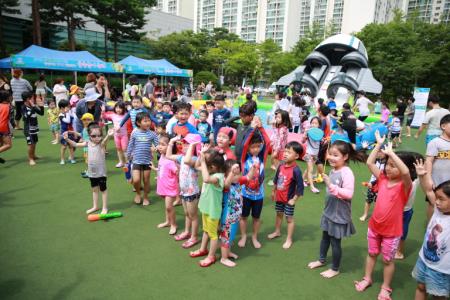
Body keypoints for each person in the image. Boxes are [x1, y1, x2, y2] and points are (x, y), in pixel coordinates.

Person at [354, 132, 417, 300]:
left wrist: (392, 154)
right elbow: (369, 162)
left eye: (393, 165)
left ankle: (385, 287)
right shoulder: (382, 179)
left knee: (388, 260)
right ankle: (367, 278)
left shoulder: (405, 185)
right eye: (387, 164)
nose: (388, 167)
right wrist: (378, 144)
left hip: (391, 231)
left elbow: (404, 172)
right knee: (372, 254)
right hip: (374, 227)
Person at [308, 140, 366, 278]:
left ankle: (335, 268)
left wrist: (330, 186)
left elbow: (348, 194)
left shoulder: (347, 172)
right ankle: (321, 260)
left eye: (336, 155)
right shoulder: (334, 170)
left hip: (339, 214)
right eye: (330, 154)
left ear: (345, 157)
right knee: (325, 238)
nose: (332, 158)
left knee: (335, 242)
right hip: (329, 211)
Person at [412, 159, 450, 300]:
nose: (437, 202)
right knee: (421, 287)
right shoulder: (438, 210)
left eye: (442, 199)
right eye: (437, 198)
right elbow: (429, 190)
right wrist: (422, 175)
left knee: (438, 296)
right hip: (424, 259)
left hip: (441, 269)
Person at [63, 123, 114, 214]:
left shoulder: (101, 144)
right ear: (89, 135)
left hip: (101, 173)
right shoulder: (88, 143)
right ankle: (95, 206)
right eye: (93, 136)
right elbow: (75, 144)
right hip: (92, 172)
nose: (97, 138)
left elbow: (105, 141)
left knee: (103, 190)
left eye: (99, 135)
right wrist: (67, 139)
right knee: (94, 189)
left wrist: (108, 135)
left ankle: (104, 207)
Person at [189, 147, 225, 268]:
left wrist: (204, 162)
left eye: (208, 165)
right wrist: (202, 155)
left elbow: (206, 179)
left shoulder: (219, 177)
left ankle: (211, 256)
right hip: (206, 209)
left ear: (214, 167)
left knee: (213, 234)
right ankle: (203, 249)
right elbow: (197, 165)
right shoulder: (209, 170)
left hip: (213, 211)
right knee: (206, 230)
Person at [166, 134, 202, 248]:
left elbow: (187, 161)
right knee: (187, 214)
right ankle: (187, 232)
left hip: (192, 193)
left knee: (194, 216)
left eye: (187, 144)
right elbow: (168, 155)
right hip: (184, 191)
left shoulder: (195, 159)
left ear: (194, 146)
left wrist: (192, 146)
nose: (184, 145)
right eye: (184, 143)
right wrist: (171, 142)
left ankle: (194, 237)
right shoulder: (182, 157)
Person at [238, 123, 270, 249]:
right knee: (243, 217)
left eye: (258, 146)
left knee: (256, 218)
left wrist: (261, 128)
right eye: (253, 147)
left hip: (259, 196)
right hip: (246, 194)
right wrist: (252, 129)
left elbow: (267, 142)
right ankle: (244, 236)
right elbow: (245, 144)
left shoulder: (262, 159)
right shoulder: (244, 159)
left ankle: (254, 236)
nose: (256, 149)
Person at [267, 141, 304, 249]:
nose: (285, 154)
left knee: (289, 219)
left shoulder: (296, 170)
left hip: (288, 199)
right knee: (279, 214)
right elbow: (276, 179)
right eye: (285, 151)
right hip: (279, 197)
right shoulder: (281, 165)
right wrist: (273, 191)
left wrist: (294, 199)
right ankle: (277, 231)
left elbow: (300, 186)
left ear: (296, 156)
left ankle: (289, 239)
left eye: (289, 152)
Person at [220, 160, 256, 267]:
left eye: (238, 173)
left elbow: (248, 177)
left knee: (231, 237)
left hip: (236, 216)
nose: (237, 176)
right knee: (226, 238)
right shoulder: (226, 185)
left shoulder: (239, 182)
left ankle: (228, 252)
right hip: (227, 217)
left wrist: (253, 169)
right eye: (233, 174)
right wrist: (232, 172)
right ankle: (223, 258)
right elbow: (226, 184)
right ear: (226, 174)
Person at [126, 112, 159, 206]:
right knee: (136, 180)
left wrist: (156, 149)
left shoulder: (152, 134)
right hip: (136, 160)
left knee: (146, 180)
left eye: (149, 120)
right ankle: (138, 194)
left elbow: (157, 145)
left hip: (147, 161)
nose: (148, 122)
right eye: (145, 121)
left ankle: (145, 197)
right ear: (138, 123)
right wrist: (128, 156)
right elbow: (131, 145)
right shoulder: (135, 132)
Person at [425, 114, 450, 221]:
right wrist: (429, 178)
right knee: (433, 203)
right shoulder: (435, 142)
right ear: (443, 126)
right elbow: (429, 161)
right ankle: (431, 224)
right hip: (437, 181)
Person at [154, 133, 179, 235]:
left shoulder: (171, 160)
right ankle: (168, 221)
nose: (159, 146)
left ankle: (173, 224)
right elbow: (161, 169)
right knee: (166, 206)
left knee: (169, 207)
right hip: (162, 186)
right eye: (159, 144)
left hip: (170, 188)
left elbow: (177, 171)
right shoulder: (162, 156)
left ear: (170, 147)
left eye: (163, 144)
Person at [359, 148, 387, 222]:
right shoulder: (376, 160)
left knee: (379, 202)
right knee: (368, 200)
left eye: (379, 151)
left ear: (384, 152)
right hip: (371, 184)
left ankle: (379, 216)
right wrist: (364, 149)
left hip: (380, 186)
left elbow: (383, 177)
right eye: (377, 151)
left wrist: (372, 183)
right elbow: (365, 158)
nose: (377, 153)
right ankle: (365, 214)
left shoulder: (387, 164)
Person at [21, 91, 44, 166]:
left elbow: (41, 113)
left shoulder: (32, 106)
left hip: (34, 128)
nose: (34, 99)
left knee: (34, 143)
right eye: (32, 98)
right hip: (28, 129)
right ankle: (30, 159)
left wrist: (41, 106)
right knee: (30, 144)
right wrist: (33, 107)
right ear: (28, 99)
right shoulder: (24, 107)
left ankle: (33, 156)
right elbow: (25, 117)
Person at [303, 117, 323, 194]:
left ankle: (301, 180)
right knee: (310, 170)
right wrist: (305, 134)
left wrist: (325, 140)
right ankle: (312, 187)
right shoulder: (308, 132)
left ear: (319, 125)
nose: (313, 124)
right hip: (309, 154)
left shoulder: (320, 132)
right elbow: (302, 141)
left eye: (316, 123)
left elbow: (321, 141)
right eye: (312, 123)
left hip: (315, 154)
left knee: (308, 169)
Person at [269, 109, 290, 173]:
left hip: (280, 149)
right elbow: (276, 136)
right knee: (277, 163)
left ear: (284, 119)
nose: (277, 119)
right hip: (278, 147)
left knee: (278, 164)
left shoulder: (283, 129)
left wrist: (276, 151)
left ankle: (278, 178)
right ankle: (278, 176)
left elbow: (281, 140)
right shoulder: (280, 127)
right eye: (276, 117)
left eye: (279, 117)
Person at [109, 101, 128, 168]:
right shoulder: (113, 115)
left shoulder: (126, 115)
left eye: (120, 108)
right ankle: (121, 162)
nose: (118, 109)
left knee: (124, 149)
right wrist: (102, 112)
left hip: (124, 135)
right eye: (117, 108)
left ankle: (127, 162)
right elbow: (104, 116)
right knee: (118, 149)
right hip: (116, 135)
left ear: (123, 109)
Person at [58, 100, 76, 165]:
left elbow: (73, 119)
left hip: (70, 132)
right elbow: (67, 121)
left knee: (71, 146)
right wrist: (67, 113)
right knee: (64, 146)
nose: (69, 108)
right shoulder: (61, 115)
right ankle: (62, 159)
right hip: (64, 133)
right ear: (62, 108)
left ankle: (72, 158)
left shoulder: (69, 113)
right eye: (68, 107)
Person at [0, 90, 13, 163]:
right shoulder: (9, 107)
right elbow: (10, 119)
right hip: (3, 128)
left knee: (2, 144)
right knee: (8, 145)